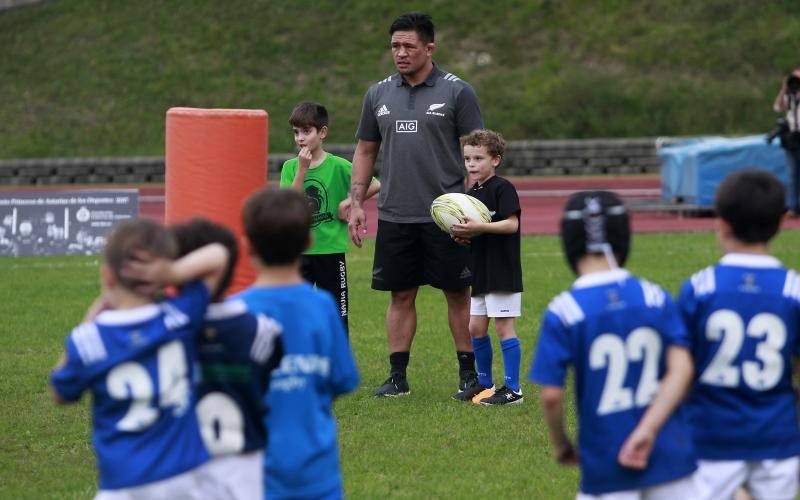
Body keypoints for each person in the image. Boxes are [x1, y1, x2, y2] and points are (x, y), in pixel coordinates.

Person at [348, 11, 485, 400]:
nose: (400, 53)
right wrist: (357, 202)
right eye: (395, 46)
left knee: (458, 294)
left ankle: (468, 375)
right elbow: (365, 150)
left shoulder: (458, 92)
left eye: (409, 45)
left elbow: (477, 150)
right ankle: (397, 377)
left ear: (429, 48)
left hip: (446, 218)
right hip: (394, 213)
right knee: (400, 294)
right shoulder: (378, 94)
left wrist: (473, 206)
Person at [529, 191, 698, 498]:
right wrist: (647, 430)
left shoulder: (565, 310)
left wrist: (561, 443)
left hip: (607, 459)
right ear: (624, 237)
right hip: (668, 450)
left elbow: (552, 395)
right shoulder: (654, 297)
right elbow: (682, 368)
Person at [50, 218, 229, 499]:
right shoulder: (178, 317)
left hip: (123, 484)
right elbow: (219, 255)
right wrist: (172, 272)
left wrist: (88, 320)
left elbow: (59, 393)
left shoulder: (90, 340)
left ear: (108, 276)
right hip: (187, 478)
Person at [678, 170, 800, 500]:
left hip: (711, 434)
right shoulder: (793, 289)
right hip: (777, 436)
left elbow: (681, 369)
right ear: (780, 222)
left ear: (723, 222)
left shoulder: (700, 287)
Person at [234, 186, 359, 500]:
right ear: (308, 241)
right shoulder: (322, 307)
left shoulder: (234, 313)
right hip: (316, 472)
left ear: (247, 246)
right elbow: (341, 380)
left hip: (250, 472)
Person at [171, 218, 283, 500]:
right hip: (242, 470)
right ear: (233, 271)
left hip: (181, 466)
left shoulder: (166, 330)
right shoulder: (262, 331)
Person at [280, 101, 380, 335]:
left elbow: (375, 184)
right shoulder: (290, 167)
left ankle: (338, 367)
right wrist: (302, 170)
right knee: (296, 315)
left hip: (331, 252)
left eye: (306, 131)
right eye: (296, 132)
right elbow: (289, 204)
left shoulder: (338, 166)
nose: (300, 138)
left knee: (337, 315)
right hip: (299, 253)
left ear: (322, 132)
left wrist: (351, 201)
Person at [449, 130, 523, 406]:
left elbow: (511, 224)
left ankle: (513, 390)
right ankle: (485, 383)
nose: (471, 163)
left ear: (496, 160)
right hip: (481, 271)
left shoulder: (502, 188)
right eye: (468, 158)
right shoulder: (471, 194)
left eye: (478, 158)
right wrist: (464, 237)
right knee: (476, 327)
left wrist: (480, 227)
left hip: (502, 270)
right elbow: (477, 235)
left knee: (504, 327)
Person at [773, 69, 800, 213]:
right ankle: (793, 207)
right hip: (792, 137)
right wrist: (784, 88)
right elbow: (777, 107)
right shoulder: (789, 96)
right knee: (792, 173)